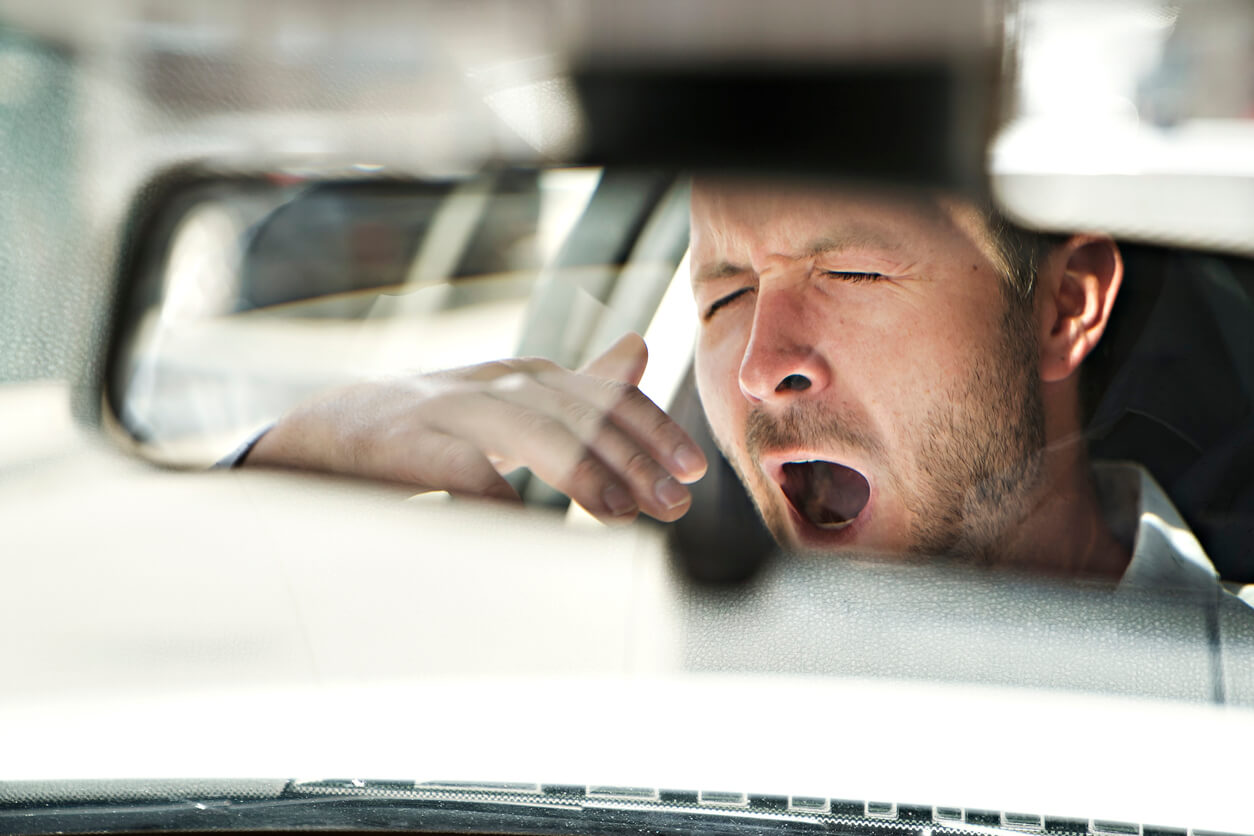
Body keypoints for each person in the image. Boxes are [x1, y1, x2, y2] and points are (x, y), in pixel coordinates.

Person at [231, 177, 1225, 589]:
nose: (757, 363)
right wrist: (310, 455)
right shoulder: (623, 670)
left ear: (1065, 308)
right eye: (723, 296)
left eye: (853, 273)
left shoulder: (1224, 710)